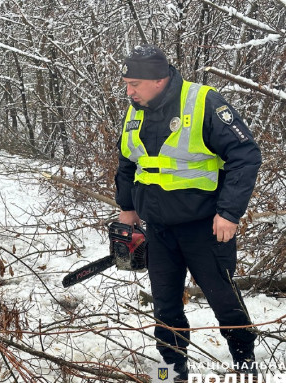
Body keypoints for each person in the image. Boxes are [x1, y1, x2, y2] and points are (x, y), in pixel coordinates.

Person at [114, 45, 261, 380]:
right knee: (165, 305)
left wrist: (229, 212)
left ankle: (245, 362)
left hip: (205, 226)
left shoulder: (203, 102)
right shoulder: (135, 109)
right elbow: (127, 163)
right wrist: (127, 208)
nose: (129, 91)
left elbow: (246, 155)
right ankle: (170, 369)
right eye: (127, 83)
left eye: (134, 83)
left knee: (223, 297)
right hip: (158, 228)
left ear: (159, 80)